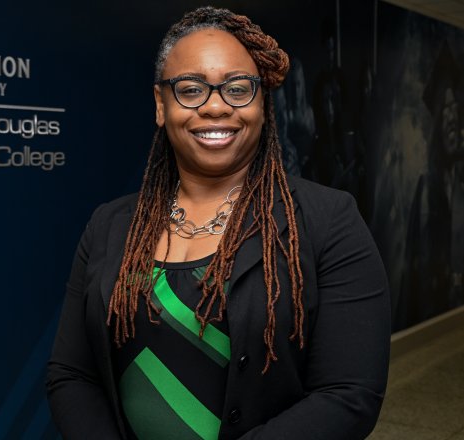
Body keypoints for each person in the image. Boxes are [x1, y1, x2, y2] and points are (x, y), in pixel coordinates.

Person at [46, 6, 390, 440]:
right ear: (160, 104)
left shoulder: (329, 221)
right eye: (191, 89)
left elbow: (349, 394)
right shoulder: (110, 225)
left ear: (262, 102)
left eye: (237, 88)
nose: (215, 106)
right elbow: (71, 374)